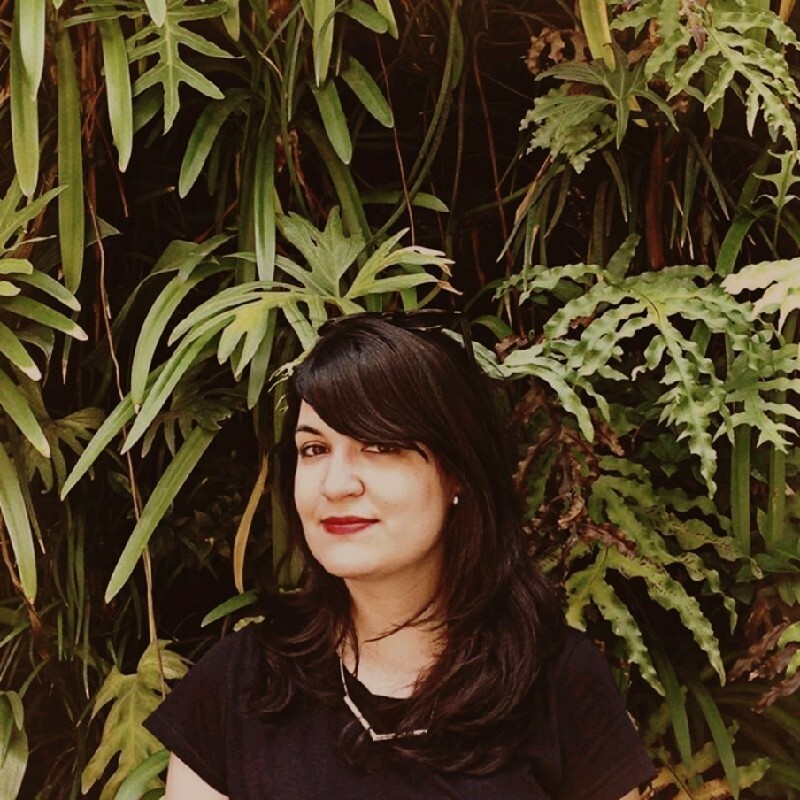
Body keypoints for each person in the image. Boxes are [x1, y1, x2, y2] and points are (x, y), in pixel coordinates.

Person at [144, 311, 656, 800]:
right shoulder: (240, 681)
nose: (337, 484)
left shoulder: (558, 683)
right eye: (314, 449)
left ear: (458, 473)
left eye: (380, 446)